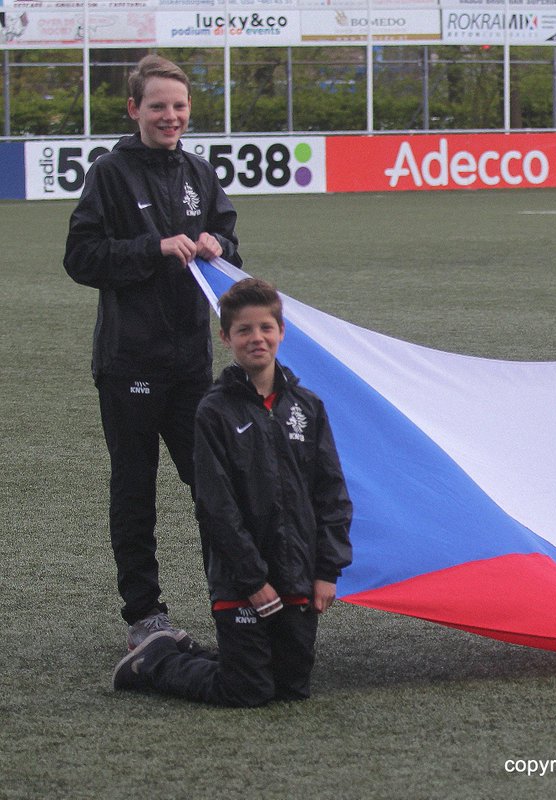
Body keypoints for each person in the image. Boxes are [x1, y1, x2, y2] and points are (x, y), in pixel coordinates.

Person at [63, 54, 241, 649]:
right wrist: (153, 249)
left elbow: (230, 245)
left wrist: (221, 245)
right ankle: (145, 616)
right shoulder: (110, 174)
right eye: (158, 106)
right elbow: (81, 258)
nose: (170, 116)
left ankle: (233, 602)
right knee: (135, 492)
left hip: (192, 365)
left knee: (215, 489)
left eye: (179, 106)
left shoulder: (198, 171)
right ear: (134, 109)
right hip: (129, 365)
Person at [113, 278, 353, 706]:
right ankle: (157, 659)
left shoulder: (307, 407)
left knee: (292, 690)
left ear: (282, 333)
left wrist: (326, 571)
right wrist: (252, 579)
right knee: (247, 692)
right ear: (226, 338)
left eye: (265, 328)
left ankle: (222, 655)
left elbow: (331, 494)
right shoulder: (214, 410)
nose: (256, 338)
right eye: (244, 330)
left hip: (296, 576)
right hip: (241, 581)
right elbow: (215, 504)